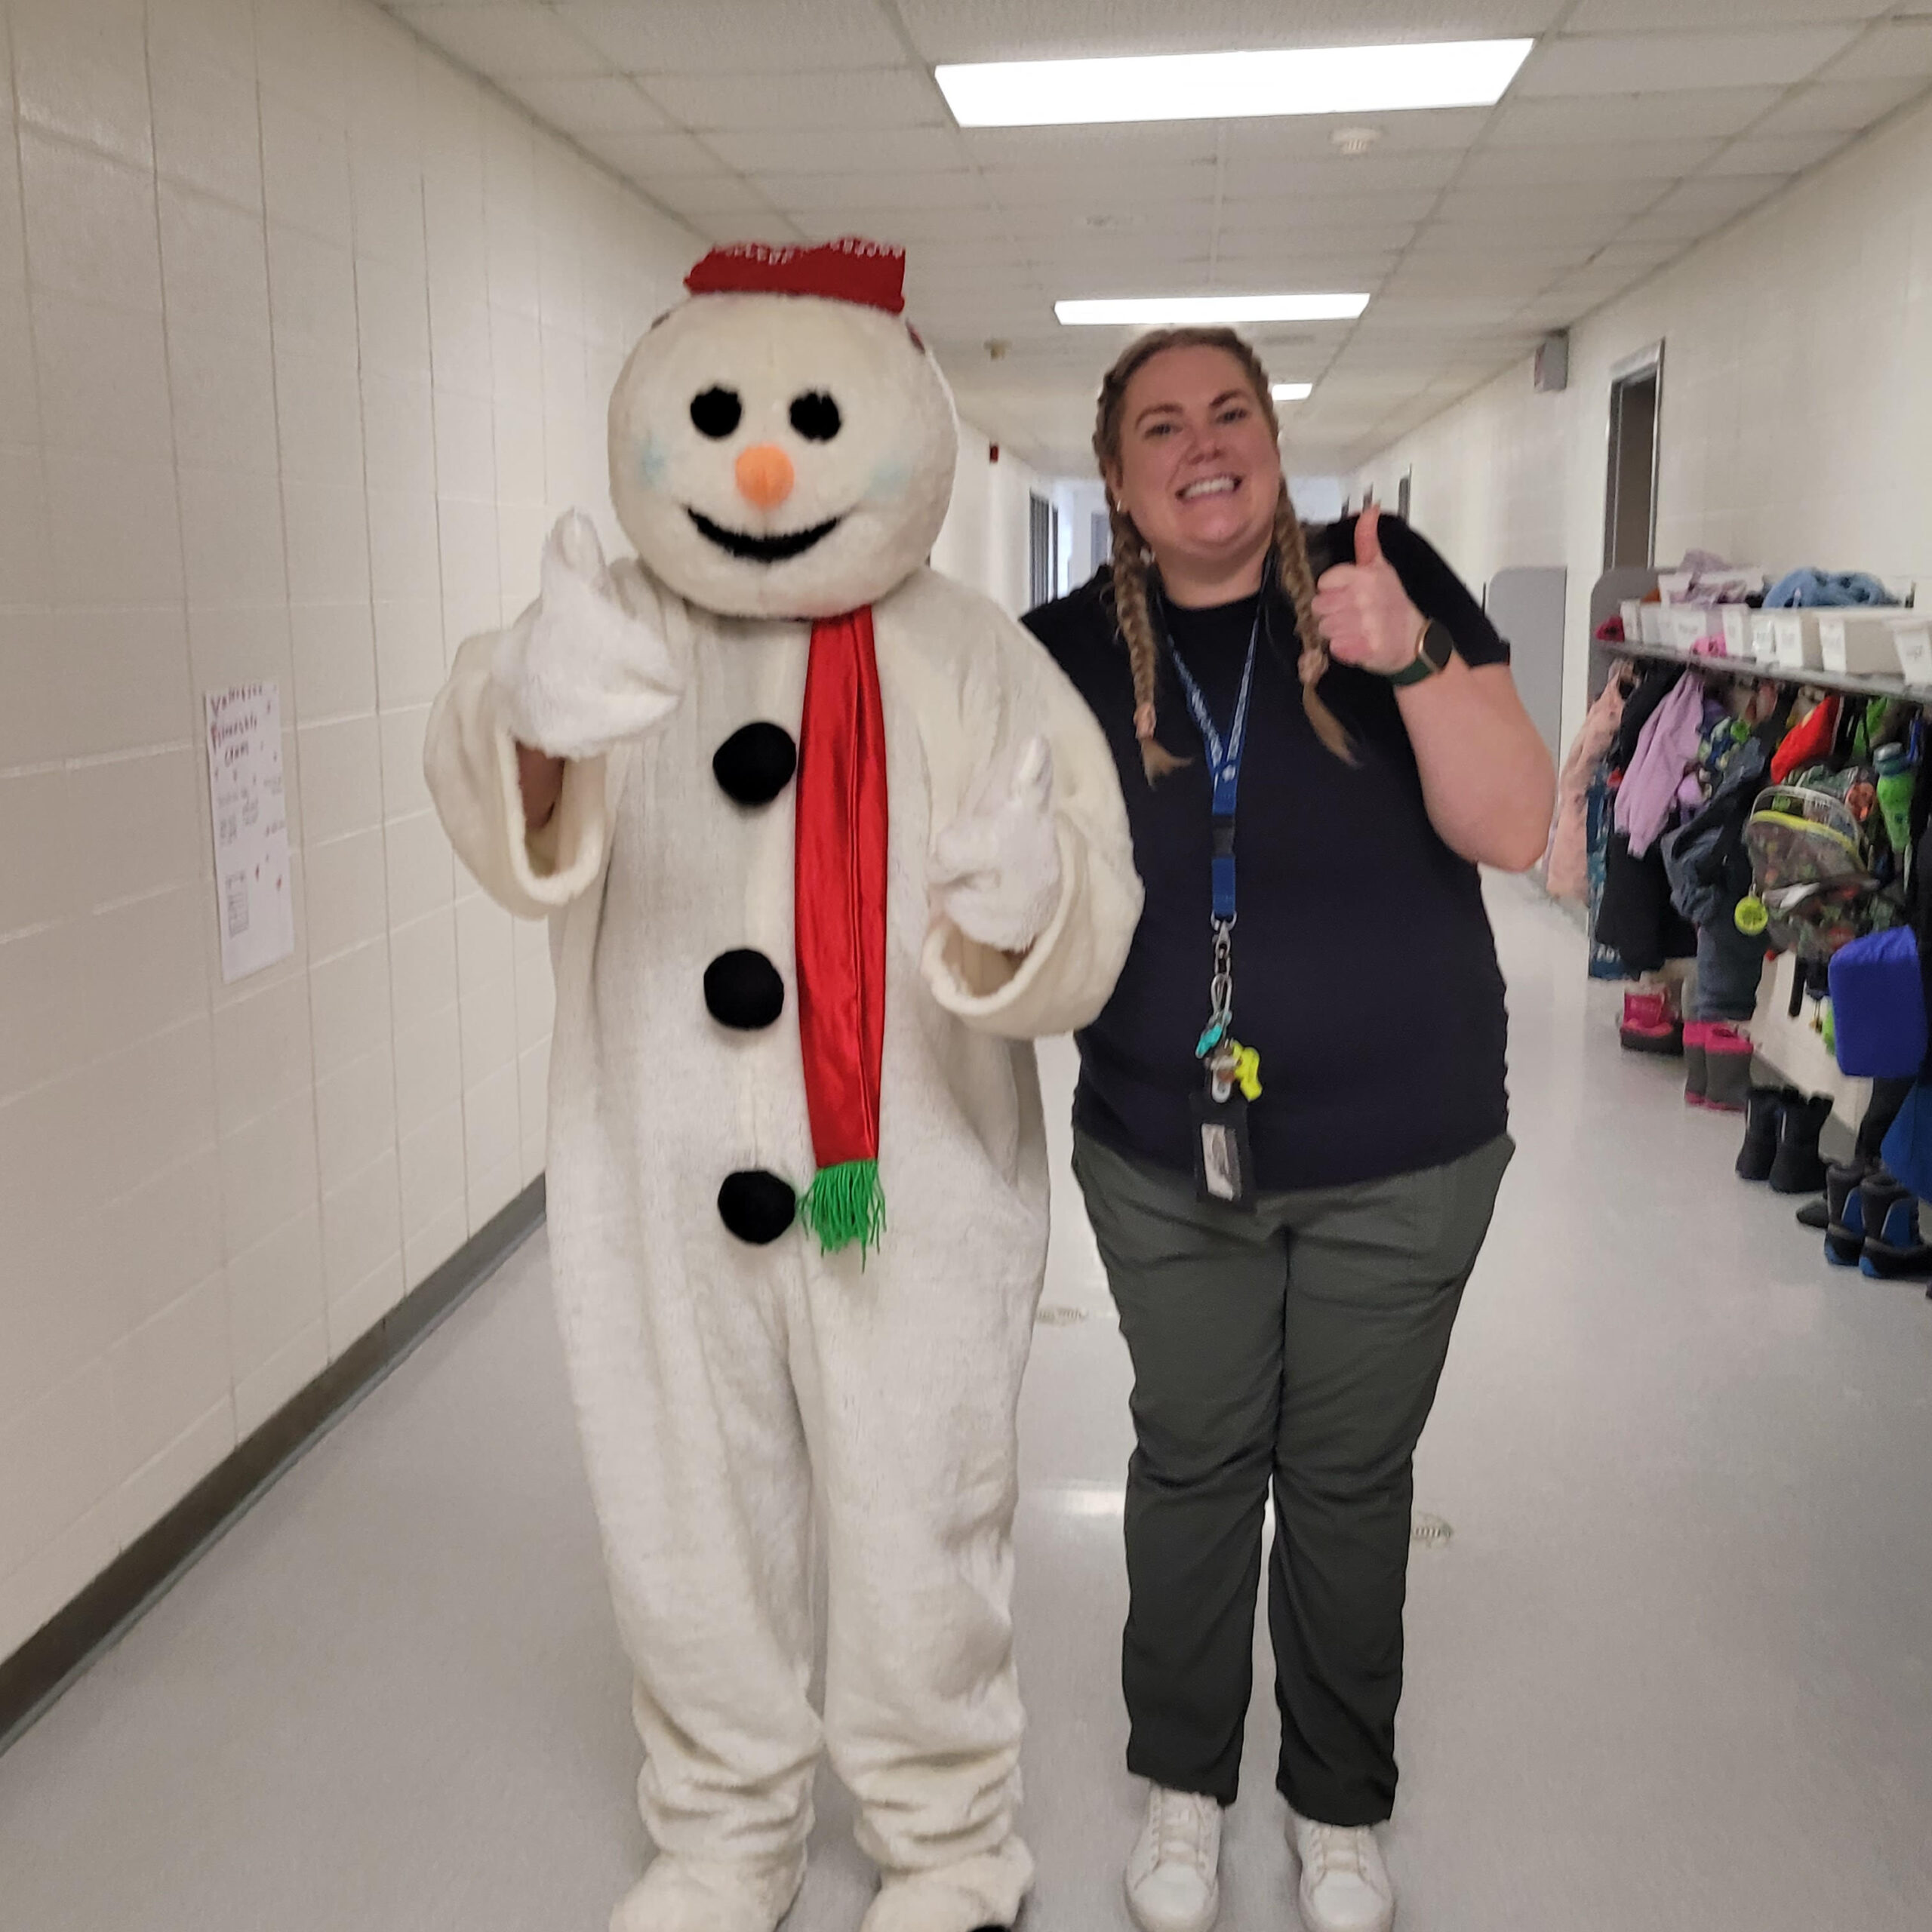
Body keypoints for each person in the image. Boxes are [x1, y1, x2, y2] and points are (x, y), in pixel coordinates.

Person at [426, 240, 1140, 1932]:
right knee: (682, 1513)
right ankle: (724, 1833)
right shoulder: (605, 627)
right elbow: (486, 765)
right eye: (726, 419)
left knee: (922, 1514)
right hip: (655, 1176)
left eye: (812, 421)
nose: (762, 464)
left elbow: (1092, 871)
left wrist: (1030, 906)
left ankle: (948, 1836)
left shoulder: (972, 657)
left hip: (908, 1182)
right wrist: (528, 718)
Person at [1023, 328, 1555, 1932]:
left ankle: (1334, 1800)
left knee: (1341, 1477)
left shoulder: (1384, 587)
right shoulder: (1051, 655)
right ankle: (1184, 1784)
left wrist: (1404, 659)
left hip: (1405, 1147)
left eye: (1231, 413)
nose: (1203, 445)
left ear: (1271, 436)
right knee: (1191, 1462)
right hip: (1157, 1149)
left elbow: (1516, 823)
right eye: (1160, 426)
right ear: (1115, 478)